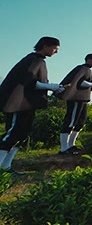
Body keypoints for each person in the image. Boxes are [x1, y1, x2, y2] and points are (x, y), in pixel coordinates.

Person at [0, 37, 64, 174]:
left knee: (21, 135)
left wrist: (53, 88)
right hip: (17, 103)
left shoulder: (39, 61)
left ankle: (5, 166)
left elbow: (36, 83)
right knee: (12, 134)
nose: (56, 52)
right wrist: (51, 86)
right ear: (45, 46)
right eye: (55, 48)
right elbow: (30, 82)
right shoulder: (33, 60)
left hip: (27, 105)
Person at [57, 53, 92, 155]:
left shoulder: (87, 70)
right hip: (76, 99)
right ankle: (64, 148)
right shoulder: (82, 69)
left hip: (83, 99)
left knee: (81, 121)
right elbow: (79, 82)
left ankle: (71, 145)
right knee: (71, 121)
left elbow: (87, 83)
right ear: (88, 59)